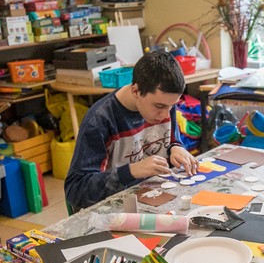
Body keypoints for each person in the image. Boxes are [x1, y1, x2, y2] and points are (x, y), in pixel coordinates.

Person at [64, 51, 199, 210]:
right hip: (115, 211)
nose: (165, 115)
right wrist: (130, 171)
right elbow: (76, 190)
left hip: (152, 198)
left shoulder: (165, 104)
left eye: (172, 106)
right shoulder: (100, 121)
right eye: (159, 106)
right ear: (135, 91)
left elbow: (170, 142)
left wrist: (176, 148)